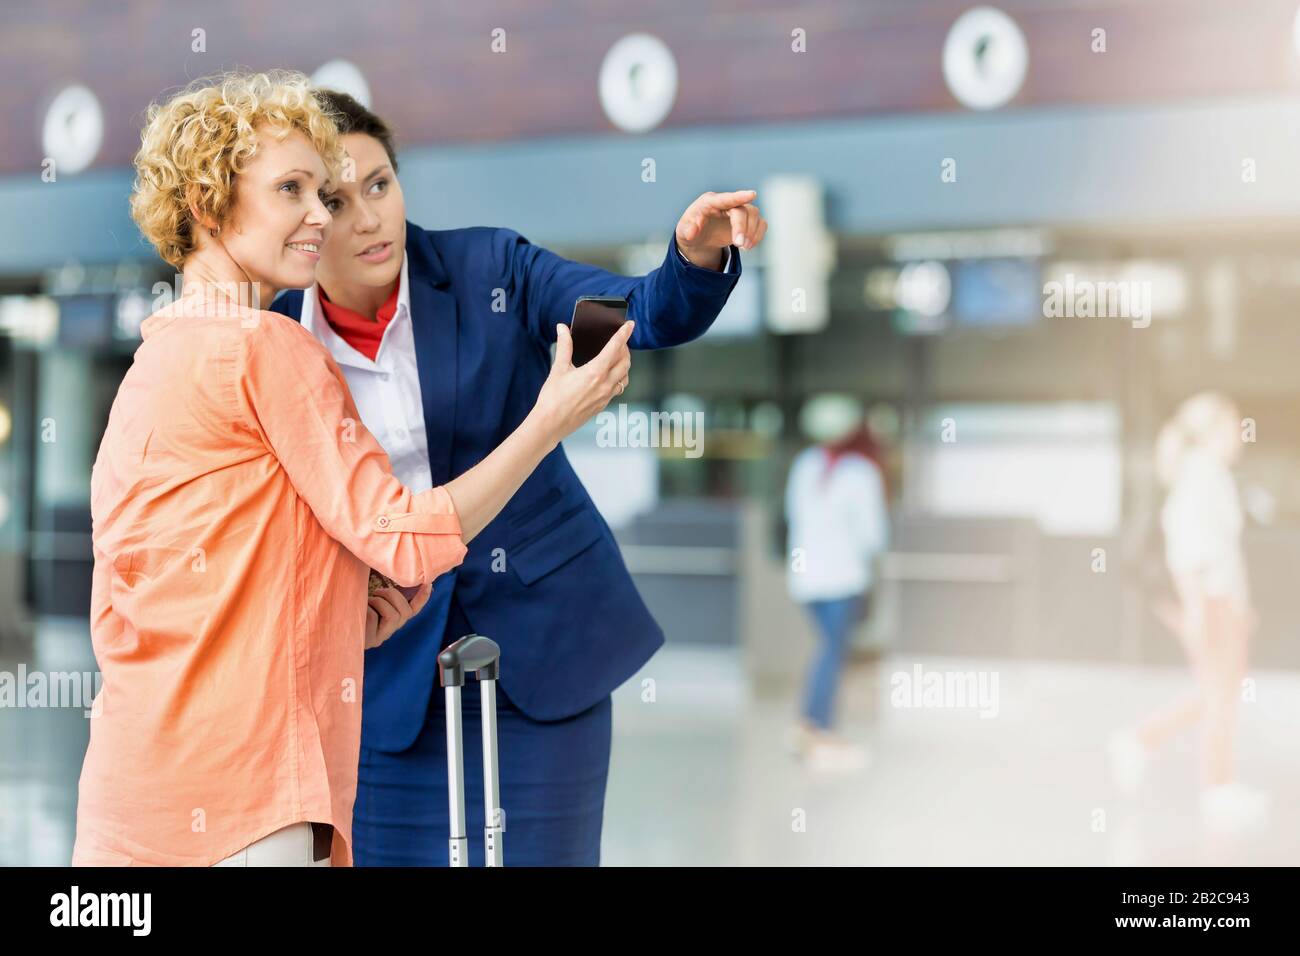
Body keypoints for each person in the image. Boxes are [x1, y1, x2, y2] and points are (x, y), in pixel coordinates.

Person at [71, 70, 631, 867]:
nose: (319, 214)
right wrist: (550, 421)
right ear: (206, 204)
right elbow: (404, 536)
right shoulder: (268, 347)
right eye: (291, 189)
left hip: (131, 801)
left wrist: (337, 607)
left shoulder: (152, 365)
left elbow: (128, 606)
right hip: (249, 802)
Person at [267, 90, 765, 865]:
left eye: (379, 185)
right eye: (335, 198)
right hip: (381, 677)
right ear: (302, 222)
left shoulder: (486, 269)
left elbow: (628, 313)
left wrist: (691, 261)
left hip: (545, 649)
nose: (367, 217)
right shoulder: (276, 339)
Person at [1109, 392, 1269, 830]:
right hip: (1212, 601)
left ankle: (1141, 740)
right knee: (1221, 692)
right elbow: (1191, 550)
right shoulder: (1204, 476)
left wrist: (1238, 604)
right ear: (1212, 431)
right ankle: (1216, 786)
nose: (1240, 434)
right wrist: (1200, 609)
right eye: (1234, 425)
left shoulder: (1207, 474)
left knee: (1217, 689)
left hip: (1220, 600)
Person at [783, 397, 888, 774]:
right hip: (843, 579)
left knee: (828, 650)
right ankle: (818, 729)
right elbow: (873, 536)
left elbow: (792, 515)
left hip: (807, 580)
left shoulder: (805, 465)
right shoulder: (862, 472)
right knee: (832, 652)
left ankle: (811, 726)